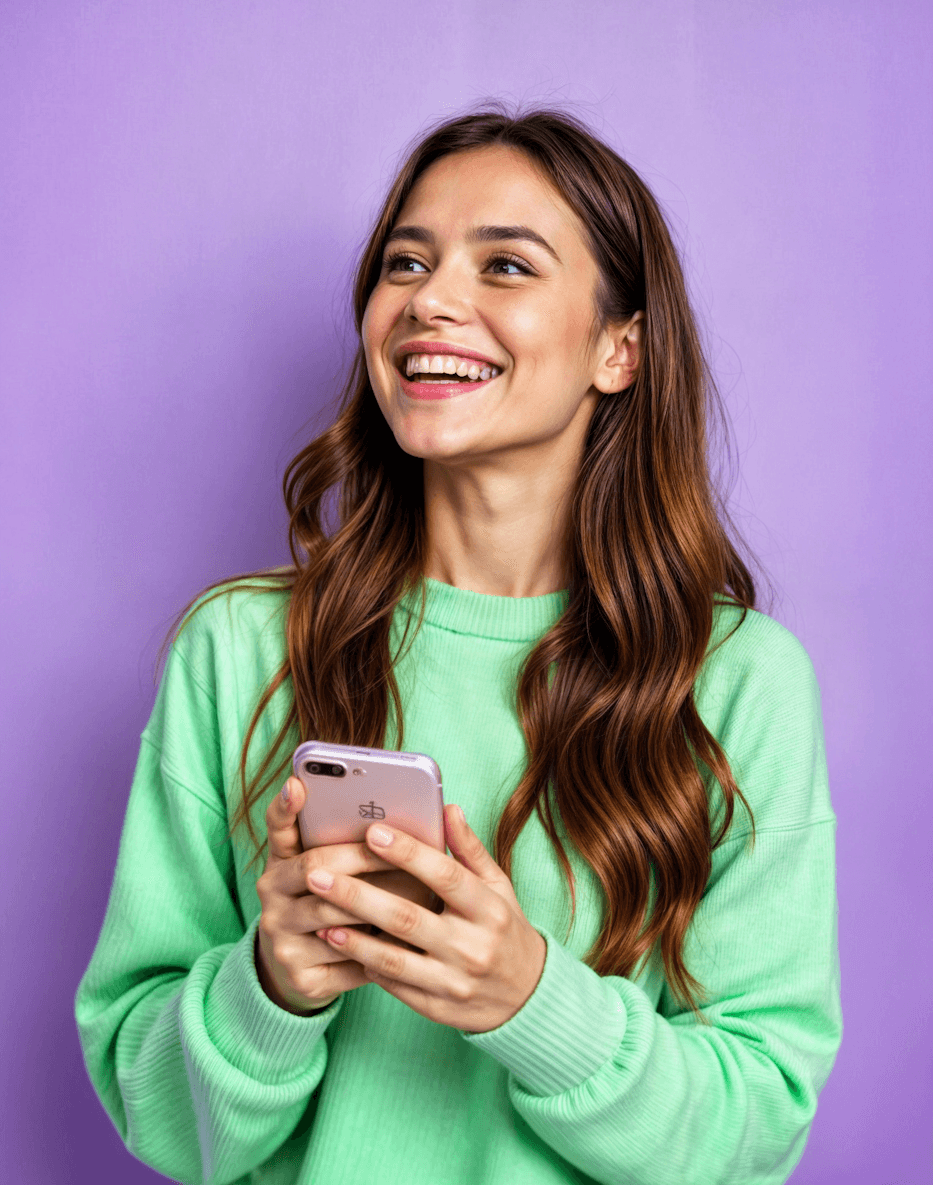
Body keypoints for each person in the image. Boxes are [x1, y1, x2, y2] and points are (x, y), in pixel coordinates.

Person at [75, 103, 842, 1185]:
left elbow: (755, 1131)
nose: (430, 300)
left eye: (507, 267)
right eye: (405, 261)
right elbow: (157, 1113)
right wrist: (271, 985)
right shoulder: (238, 650)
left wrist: (530, 1001)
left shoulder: (741, 683)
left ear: (618, 348)